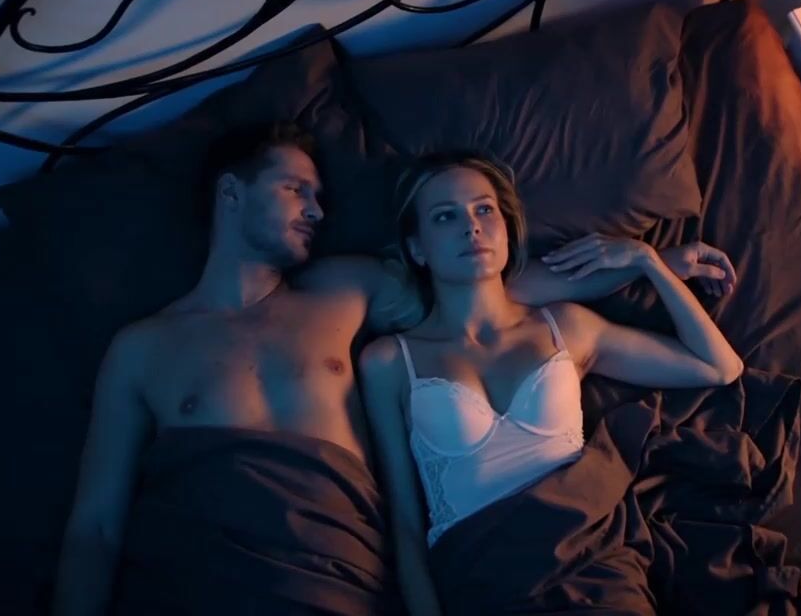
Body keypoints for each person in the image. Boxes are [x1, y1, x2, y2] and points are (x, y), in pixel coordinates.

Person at [51, 124, 737, 615]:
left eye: (320, 195)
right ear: (230, 193)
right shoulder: (141, 349)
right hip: (213, 582)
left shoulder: (346, 289)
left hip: (339, 582)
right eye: (295, 190)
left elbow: (481, 293)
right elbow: (95, 528)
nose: (318, 210)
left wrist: (645, 268)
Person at [359, 152, 744, 616]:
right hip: (484, 581)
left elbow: (718, 366)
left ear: (506, 229)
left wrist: (647, 262)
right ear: (418, 248)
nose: (472, 227)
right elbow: (405, 523)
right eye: (446, 216)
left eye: (484, 209)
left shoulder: (566, 328)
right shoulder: (389, 362)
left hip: (589, 574)